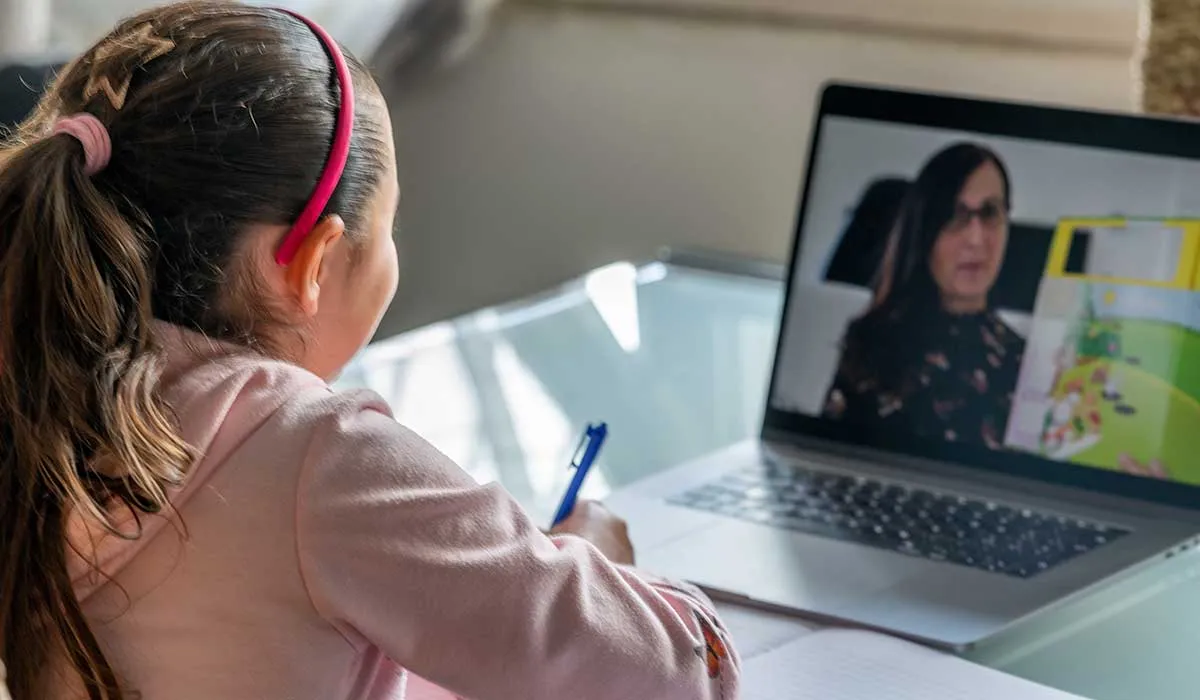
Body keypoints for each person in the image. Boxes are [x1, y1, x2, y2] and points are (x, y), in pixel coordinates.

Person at [0, 4, 739, 700]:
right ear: (312, 261)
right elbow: (669, 674)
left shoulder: (30, 407)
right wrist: (597, 567)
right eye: (389, 228)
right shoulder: (321, 457)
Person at [822, 142, 1026, 449]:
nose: (976, 239)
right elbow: (830, 455)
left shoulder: (1024, 361)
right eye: (955, 216)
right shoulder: (872, 339)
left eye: (990, 212)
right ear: (925, 229)